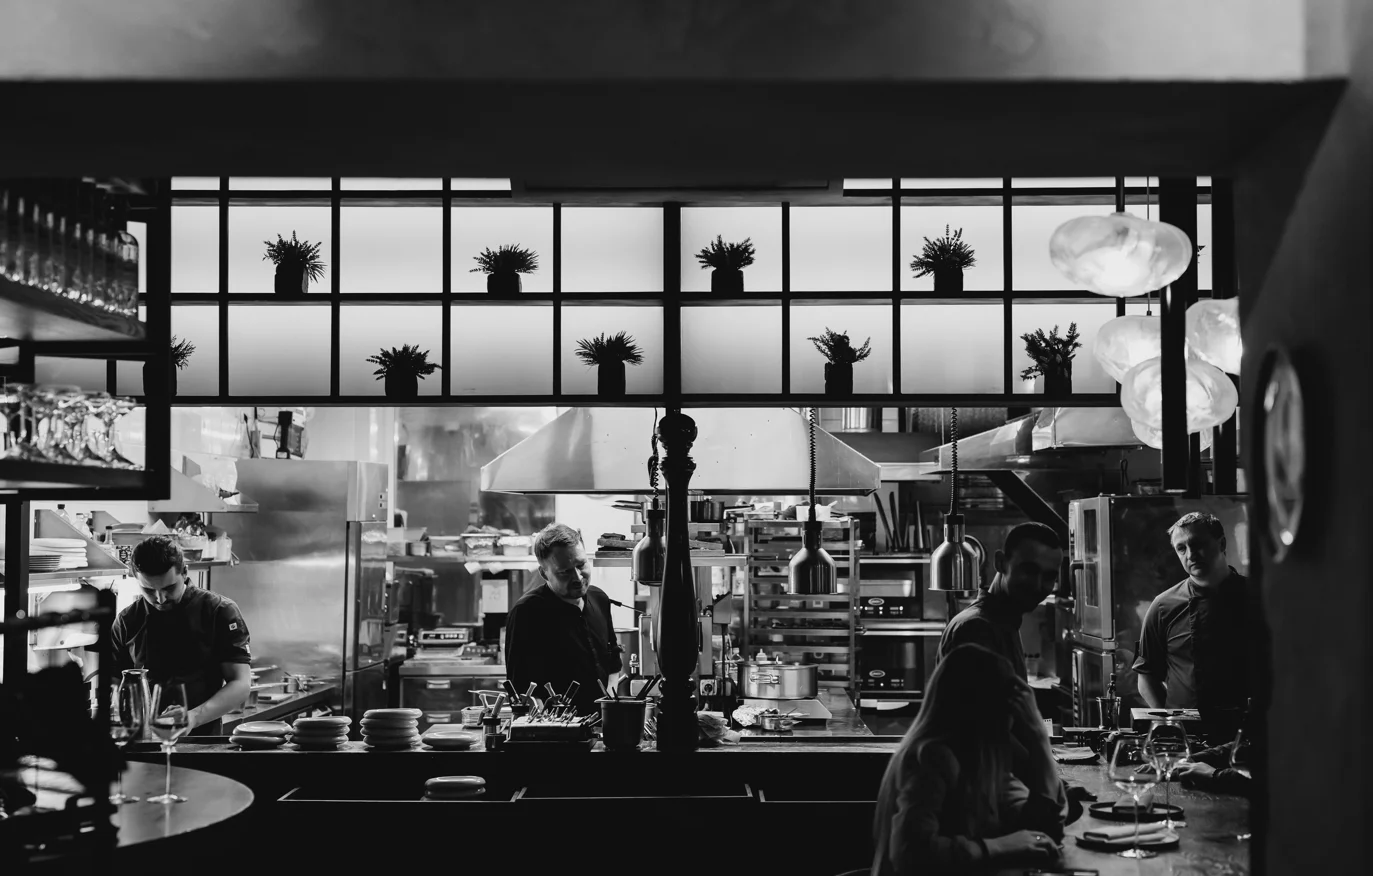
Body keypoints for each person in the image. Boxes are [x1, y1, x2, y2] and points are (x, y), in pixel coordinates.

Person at [871, 644, 1068, 875]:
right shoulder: (932, 757)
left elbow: (1042, 831)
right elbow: (910, 852)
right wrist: (998, 846)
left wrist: (1039, 740)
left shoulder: (981, 761)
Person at [111, 536, 252, 735]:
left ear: (185, 572)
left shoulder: (219, 611)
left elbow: (241, 684)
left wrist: (193, 717)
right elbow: (115, 684)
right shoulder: (127, 621)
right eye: (149, 590)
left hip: (202, 740)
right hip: (143, 741)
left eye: (169, 588)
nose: (160, 599)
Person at [1133, 512, 1250, 740]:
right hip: (1187, 738)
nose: (1190, 554)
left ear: (1222, 544)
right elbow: (1146, 677)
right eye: (1181, 548)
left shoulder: (1258, 598)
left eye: (1198, 544)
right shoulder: (1163, 606)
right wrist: (1172, 723)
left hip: (1247, 737)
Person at [504, 523, 622, 715]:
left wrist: (609, 706)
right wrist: (543, 724)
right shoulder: (526, 612)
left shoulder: (599, 599)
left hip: (601, 724)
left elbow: (613, 661)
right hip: (553, 727)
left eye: (581, 565)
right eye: (564, 571)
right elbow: (520, 688)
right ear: (544, 573)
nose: (577, 577)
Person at [937, 522, 1063, 680]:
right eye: (1029, 570)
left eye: (1049, 577)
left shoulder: (1004, 623)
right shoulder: (976, 629)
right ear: (1000, 563)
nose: (1038, 585)